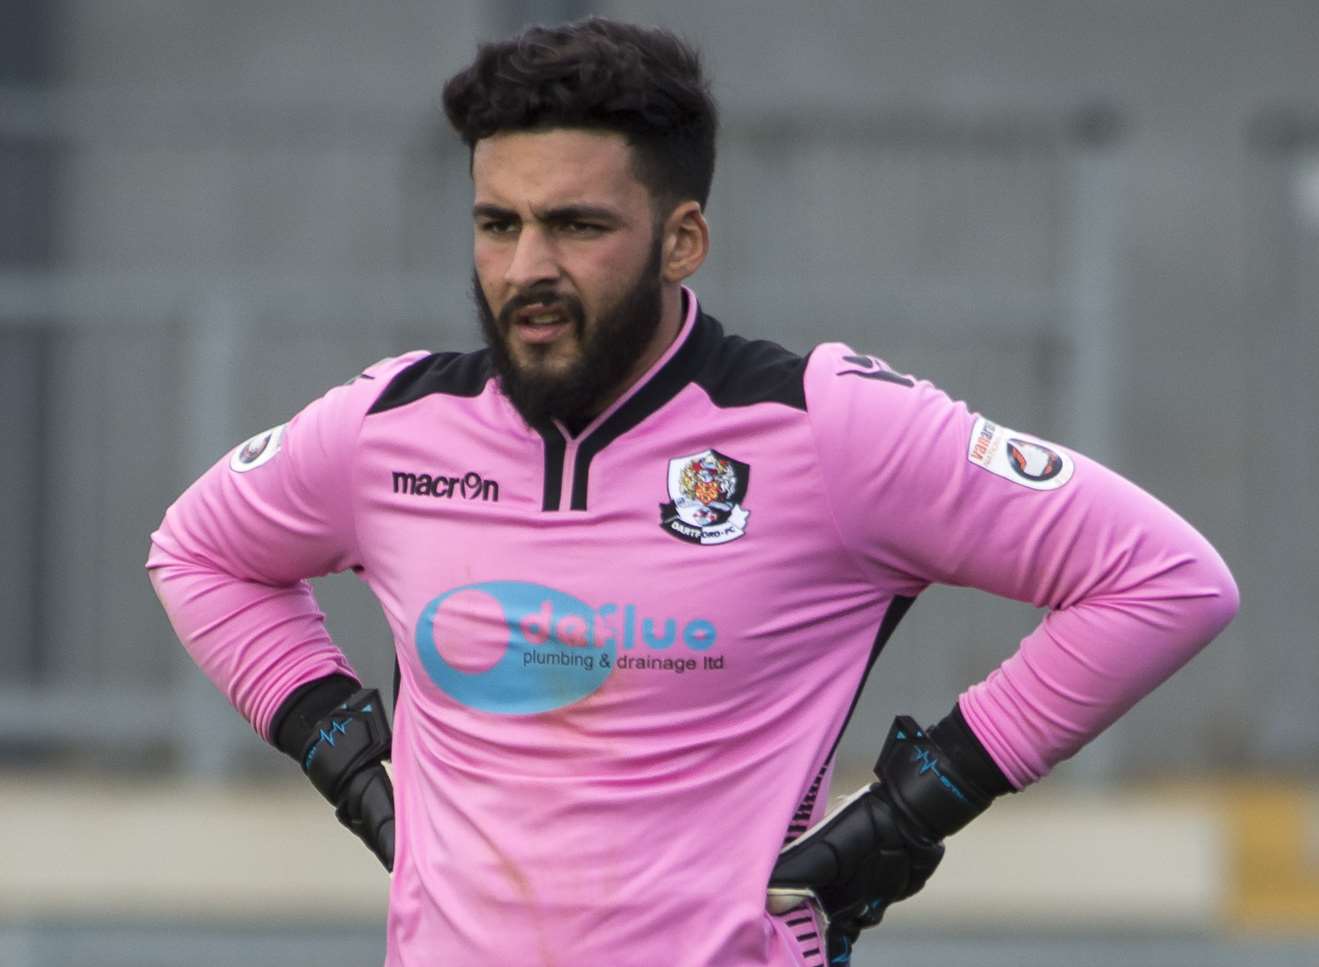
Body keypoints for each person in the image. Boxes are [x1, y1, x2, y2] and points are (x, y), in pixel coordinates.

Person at [146, 17, 1238, 967]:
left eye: (576, 226)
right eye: (497, 224)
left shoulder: (829, 427)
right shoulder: (389, 429)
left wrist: (919, 803)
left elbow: (1163, 579)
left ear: (682, 238)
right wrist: (348, 763)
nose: (528, 265)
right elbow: (197, 551)